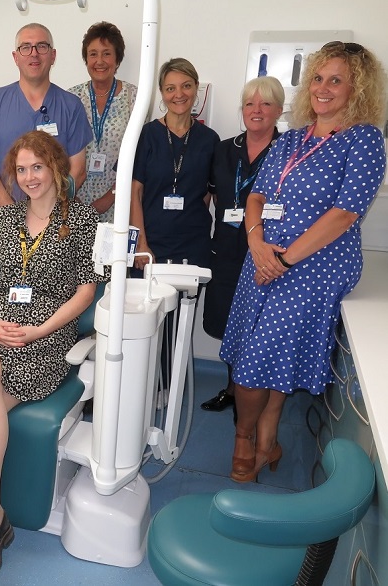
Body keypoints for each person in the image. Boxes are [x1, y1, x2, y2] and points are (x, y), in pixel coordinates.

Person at [0, 131, 105, 586]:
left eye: (37, 167)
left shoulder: (84, 223)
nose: (29, 177)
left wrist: (39, 330)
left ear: (55, 168)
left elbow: (85, 291)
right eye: (21, 169)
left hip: (47, 334)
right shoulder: (4, 220)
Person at [220, 42, 386, 483]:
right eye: (318, 77)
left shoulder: (364, 140)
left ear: (358, 89)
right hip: (265, 257)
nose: (323, 88)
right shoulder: (292, 139)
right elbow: (256, 196)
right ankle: (268, 439)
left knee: (260, 357)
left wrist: (286, 260)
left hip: (315, 266)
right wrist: (257, 242)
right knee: (264, 353)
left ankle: (244, 440)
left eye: (336, 80)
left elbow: (345, 213)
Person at [200, 77, 284, 416]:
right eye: (250, 103)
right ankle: (233, 389)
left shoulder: (287, 152)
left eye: (265, 104)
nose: (257, 110)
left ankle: (256, 399)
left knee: (258, 326)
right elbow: (214, 195)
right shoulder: (224, 149)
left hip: (265, 254)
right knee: (226, 322)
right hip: (225, 249)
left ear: (279, 110)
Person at [0, 23, 92, 228]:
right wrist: (11, 213)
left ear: (53, 56)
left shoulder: (71, 105)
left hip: (55, 224)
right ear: (15, 57)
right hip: (5, 221)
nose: (34, 54)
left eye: (42, 46)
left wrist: (48, 215)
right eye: (26, 47)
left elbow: (78, 169)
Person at [130, 57, 220, 271]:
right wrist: (141, 243)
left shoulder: (209, 140)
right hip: (151, 244)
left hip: (193, 245)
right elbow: (134, 192)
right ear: (162, 92)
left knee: (186, 305)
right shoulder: (146, 135)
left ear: (196, 88)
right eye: (171, 88)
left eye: (186, 86)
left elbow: (208, 194)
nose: (179, 94)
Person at [68, 21, 137, 222]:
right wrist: (72, 198)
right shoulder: (71, 99)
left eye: (106, 53)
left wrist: (110, 197)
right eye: (93, 54)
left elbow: (141, 156)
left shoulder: (134, 98)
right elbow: (59, 154)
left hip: (120, 202)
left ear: (117, 59)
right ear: (86, 59)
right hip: (75, 204)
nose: (100, 61)